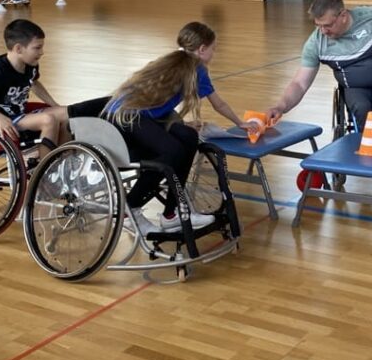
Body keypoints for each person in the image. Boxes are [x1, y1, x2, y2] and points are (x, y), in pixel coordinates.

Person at [80, 22, 254, 237]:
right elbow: (219, 104)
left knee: (189, 136)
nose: (214, 53)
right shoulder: (194, 68)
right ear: (202, 49)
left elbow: (167, 107)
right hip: (126, 118)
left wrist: (235, 123)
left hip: (142, 118)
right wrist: (240, 123)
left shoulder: (179, 63)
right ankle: (129, 208)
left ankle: (171, 213)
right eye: (213, 48)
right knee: (173, 151)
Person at [266, 0, 372, 135]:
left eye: (328, 25)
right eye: (318, 25)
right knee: (361, 109)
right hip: (354, 87)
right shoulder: (316, 43)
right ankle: (367, 150)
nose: (323, 31)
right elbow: (300, 83)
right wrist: (281, 106)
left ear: (343, 16)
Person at [0, 18, 65, 158]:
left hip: (19, 114)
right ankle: (46, 171)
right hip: (4, 119)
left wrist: (54, 104)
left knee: (65, 113)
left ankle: (63, 161)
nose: (42, 52)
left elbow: (34, 83)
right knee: (48, 120)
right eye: (37, 47)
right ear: (19, 48)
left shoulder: (30, 64)